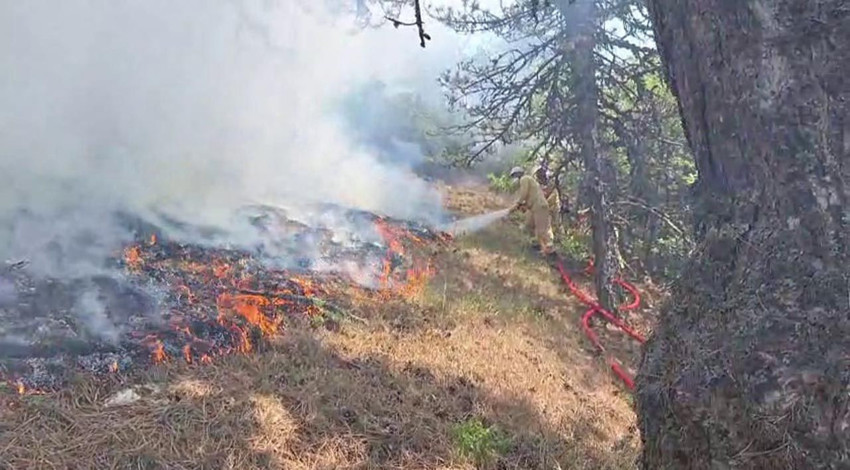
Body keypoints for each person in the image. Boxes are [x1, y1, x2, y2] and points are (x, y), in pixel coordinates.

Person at [507, 166, 555, 256]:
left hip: (540, 206)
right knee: (528, 226)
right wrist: (522, 206)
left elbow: (524, 194)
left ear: (518, 173)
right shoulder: (529, 180)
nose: (515, 177)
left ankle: (550, 249)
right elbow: (529, 198)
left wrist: (517, 204)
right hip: (535, 207)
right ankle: (539, 246)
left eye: (515, 175)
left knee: (542, 230)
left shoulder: (524, 179)